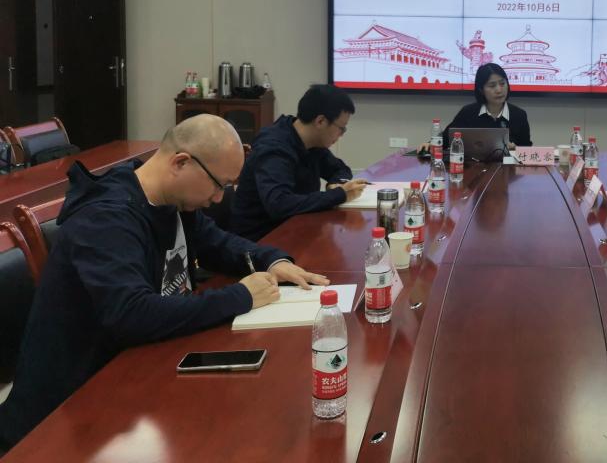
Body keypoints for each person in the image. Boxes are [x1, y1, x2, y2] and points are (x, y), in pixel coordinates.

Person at [0, 115, 327, 453]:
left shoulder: (171, 200)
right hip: (69, 413)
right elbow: (132, 313)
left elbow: (219, 243)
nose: (219, 199)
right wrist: (242, 295)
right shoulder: (106, 218)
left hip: (140, 372)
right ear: (180, 163)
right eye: (218, 185)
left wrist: (274, 261)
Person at [231, 84, 369, 241]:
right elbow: (279, 204)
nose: (342, 135)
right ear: (321, 121)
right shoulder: (273, 148)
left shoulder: (313, 141)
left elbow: (340, 169)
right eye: (341, 128)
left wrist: (335, 184)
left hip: (296, 228)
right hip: (261, 240)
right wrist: (339, 195)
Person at [420, 63, 532, 153]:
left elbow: (528, 151)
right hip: (473, 169)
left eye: (502, 83)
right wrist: (430, 144)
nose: (499, 90)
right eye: (492, 85)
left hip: (508, 171)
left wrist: (516, 150)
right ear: (481, 90)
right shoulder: (468, 113)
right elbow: (446, 139)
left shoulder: (519, 115)